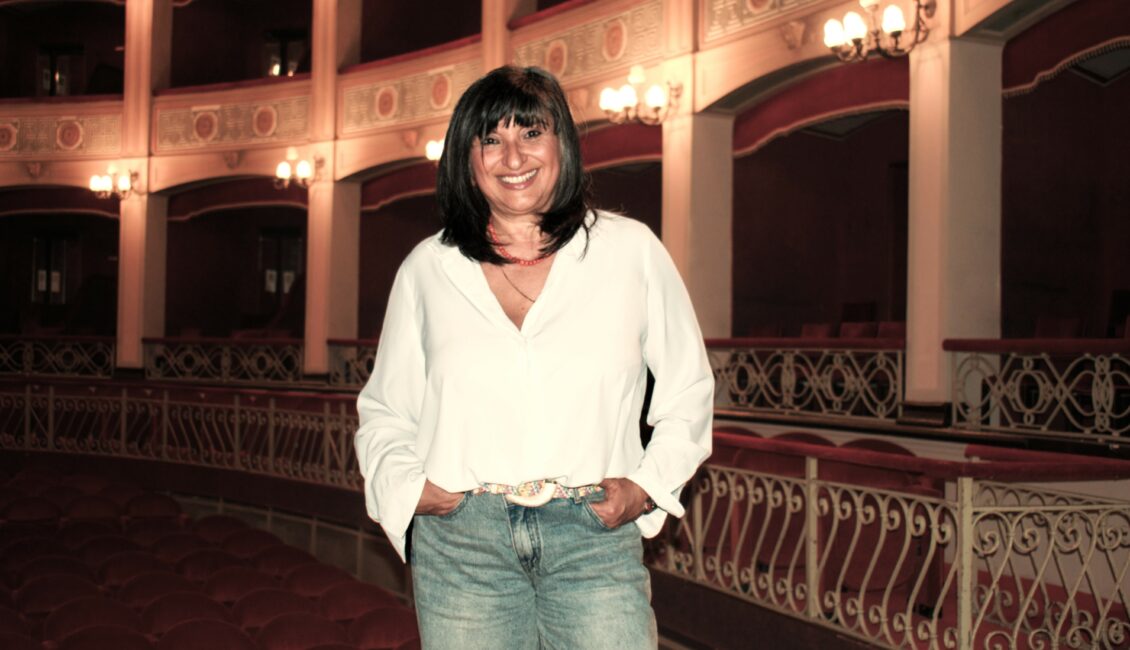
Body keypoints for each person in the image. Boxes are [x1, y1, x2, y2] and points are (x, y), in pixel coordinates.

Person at [355, 65, 713, 650]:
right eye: (490, 139)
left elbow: (689, 390)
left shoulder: (631, 252)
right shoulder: (428, 268)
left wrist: (647, 486)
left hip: (592, 537)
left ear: (561, 143)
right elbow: (386, 409)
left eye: (530, 132)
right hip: (463, 546)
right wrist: (408, 487)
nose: (513, 156)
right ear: (467, 159)